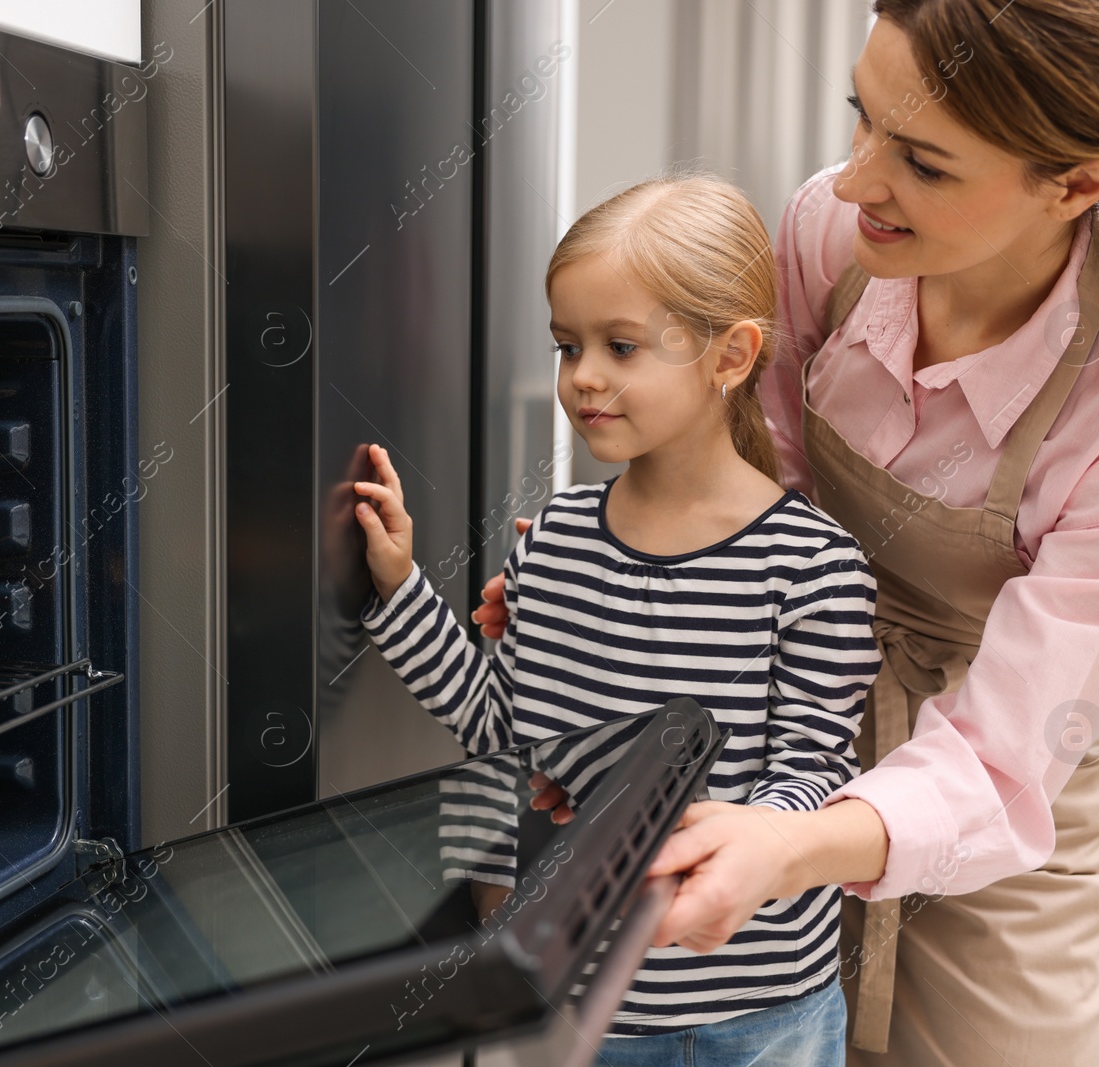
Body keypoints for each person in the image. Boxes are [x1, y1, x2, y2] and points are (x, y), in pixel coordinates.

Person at [473, 2, 1099, 1063]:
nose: (852, 181)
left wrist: (799, 842)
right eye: (861, 116)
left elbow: (996, 760)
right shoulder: (830, 238)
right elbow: (756, 485)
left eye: (923, 162)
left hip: (1005, 816)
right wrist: (620, 601)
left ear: (1079, 183)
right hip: (790, 716)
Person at [352, 174, 882, 1065]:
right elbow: (502, 725)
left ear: (731, 356)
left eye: (622, 346)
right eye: (568, 346)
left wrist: (699, 848)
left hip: (761, 1016)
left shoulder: (814, 565)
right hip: (584, 1013)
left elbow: (811, 780)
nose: (583, 376)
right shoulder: (555, 538)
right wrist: (401, 586)